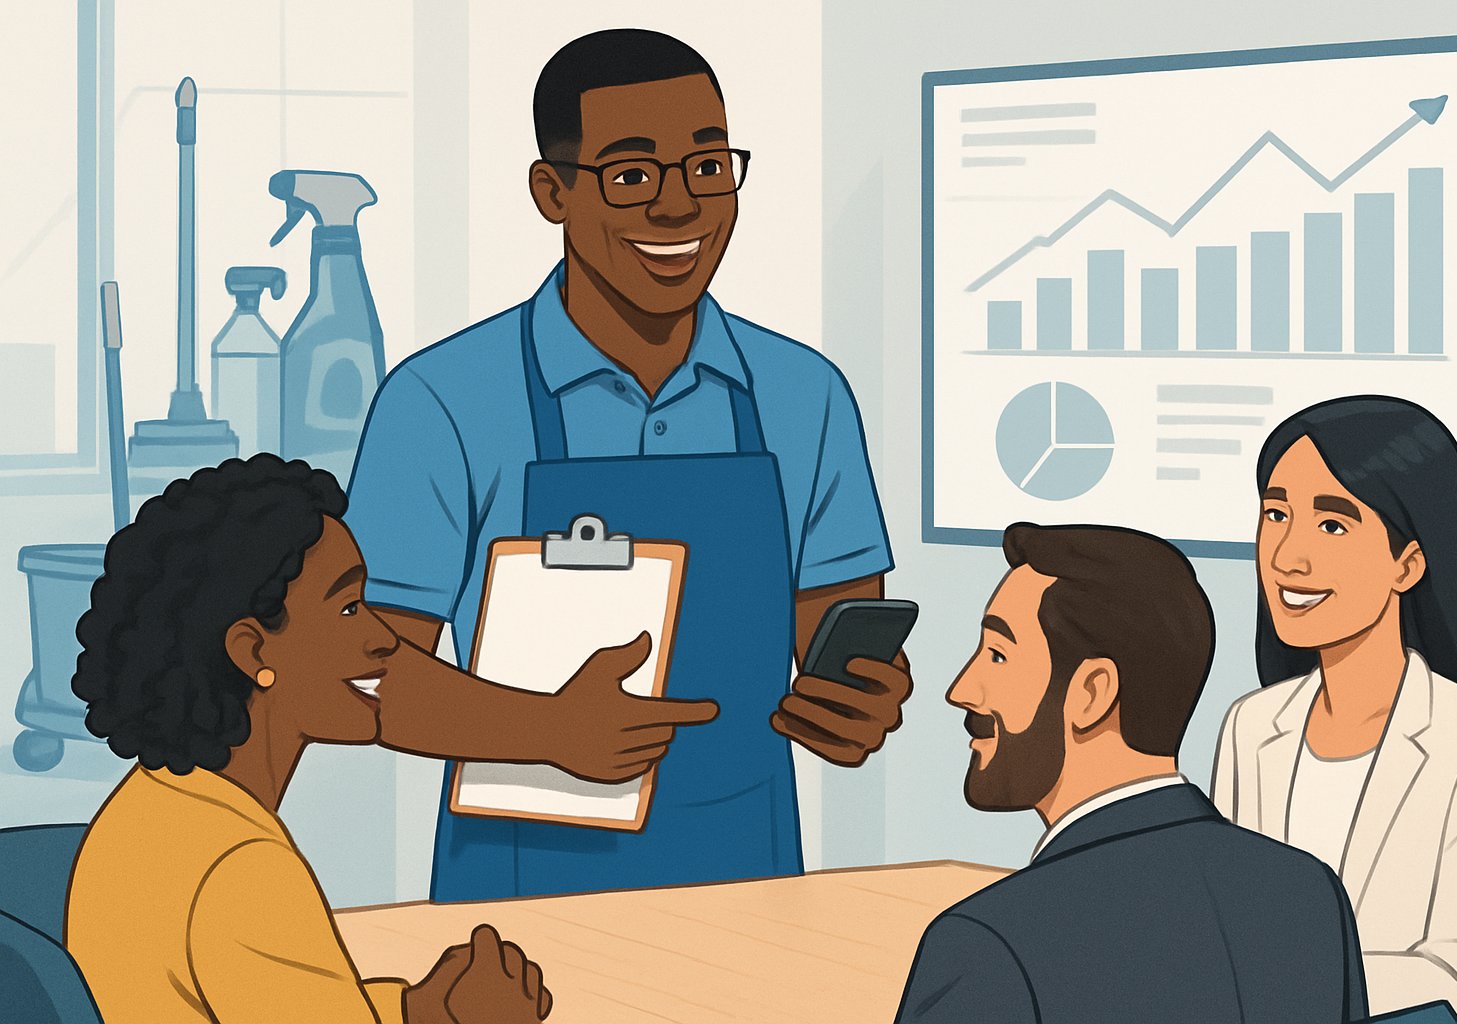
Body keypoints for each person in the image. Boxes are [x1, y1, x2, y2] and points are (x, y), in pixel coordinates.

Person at [344, 28, 911, 902]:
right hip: (521, 892)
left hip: (748, 879)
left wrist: (858, 702)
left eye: (708, 167)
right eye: (633, 175)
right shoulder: (441, 403)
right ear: (552, 192)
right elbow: (370, 673)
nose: (680, 208)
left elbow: (836, 634)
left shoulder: (806, 397)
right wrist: (545, 731)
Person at [66, 456, 553, 1024]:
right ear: (252, 653)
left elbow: (269, 995)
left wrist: (417, 1011)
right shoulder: (242, 871)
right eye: (348, 608)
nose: (384, 638)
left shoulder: (158, 809)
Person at [896, 522, 1367, 1024]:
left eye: (997, 654)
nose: (962, 688)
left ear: (1091, 693)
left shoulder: (987, 945)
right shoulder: (1310, 895)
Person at [1213, 396, 1457, 1024]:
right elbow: (1226, 919)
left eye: (1332, 524)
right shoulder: (1250, 727)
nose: (1287, 557)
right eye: (1276, 514)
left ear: (1408, 564)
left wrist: (1261, 976)